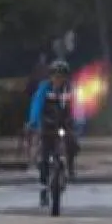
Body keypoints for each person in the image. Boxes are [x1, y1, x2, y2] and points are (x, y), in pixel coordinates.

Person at [27, 59, 79, 206]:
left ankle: (70, 166)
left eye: (61, 75)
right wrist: (34, 122)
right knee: (44, 155)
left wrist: (77, 122)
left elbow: (77, 108)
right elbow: (37, 105)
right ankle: (44, 185)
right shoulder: (45, 88)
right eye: (55, 75)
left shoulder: (70, 90)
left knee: (72, 143)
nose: (58, 78)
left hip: (64, 125)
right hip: (48, 126)